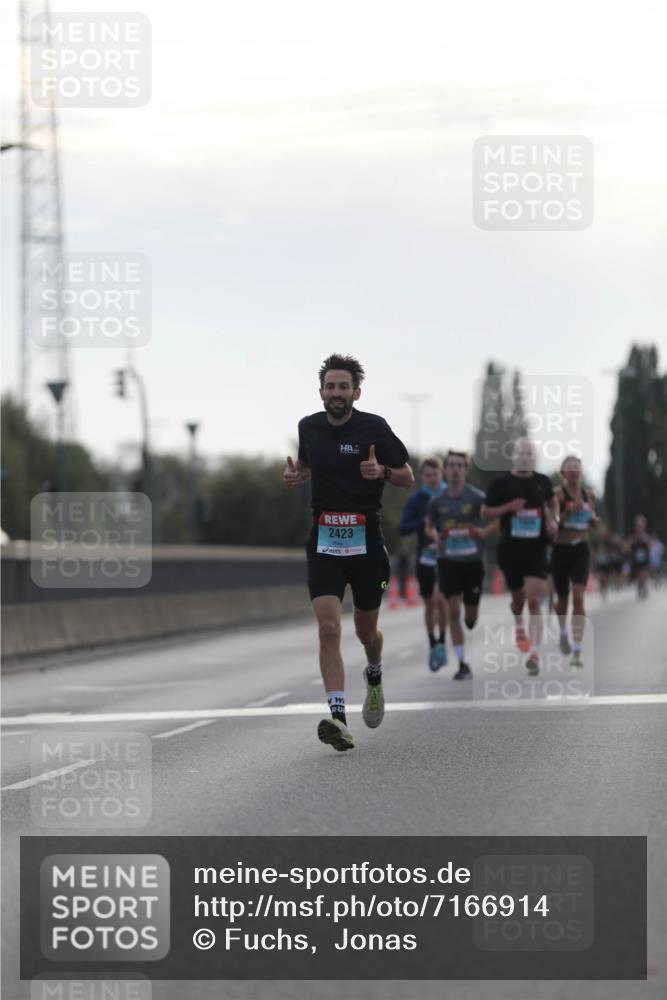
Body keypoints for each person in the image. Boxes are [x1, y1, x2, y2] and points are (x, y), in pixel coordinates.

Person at [283, 354, 413, 752]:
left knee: (365, 632)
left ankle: (373, 674)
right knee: (328, 627)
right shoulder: (309, 427)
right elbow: (308, 464)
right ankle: (338, 717)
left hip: (366, 542)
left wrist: (383, 474)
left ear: (356, 392)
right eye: (330, 387)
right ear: (321, 391)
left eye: (343, 387)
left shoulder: (374, 427)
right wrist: (297, 474)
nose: (336, 393)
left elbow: (407, 477)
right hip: (324, 538)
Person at [483, 438, 559, 675]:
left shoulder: (543, 481)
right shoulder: (502, 484)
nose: (525, 457)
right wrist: (508, 508)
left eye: (529, 453)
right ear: (514, 456)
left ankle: (534, 653)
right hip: (511, 550)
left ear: (534, 457)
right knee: (518, 600)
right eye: (521, 453)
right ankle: (518, 624)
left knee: (534, 600)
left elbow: (552, 501)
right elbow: (485, 512)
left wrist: (553, 519)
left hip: (536, 549)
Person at [425, 451, 496, 679]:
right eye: (451, 465)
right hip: (448, 561)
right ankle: (462, 662)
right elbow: (428, 526)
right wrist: (435, 536)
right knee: (453, 611)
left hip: (472, 562)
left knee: (470, 617)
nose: (455, 469)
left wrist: (483, 532)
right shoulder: (437, 501)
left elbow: (496, 519)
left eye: (459, 465)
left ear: (465, 470)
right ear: (445, 470)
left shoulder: (476, 498)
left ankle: (471, 617)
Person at [399, 457, 449, 671]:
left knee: (441, 600)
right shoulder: (417, 500)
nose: (431, 478)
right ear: (422, 477)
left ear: (441, 474)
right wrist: (422, 522)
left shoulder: (451, 495)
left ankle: (443, 640)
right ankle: (433, 643)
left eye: (435, 474)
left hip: (448, 556)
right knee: (429, 604)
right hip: (425, 557)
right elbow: (402, 528)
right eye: (427, 475)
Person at [552, 456, 599, 667]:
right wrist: (570, 510)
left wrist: (594, 519)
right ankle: (563, 633)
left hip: (581, 549)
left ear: (580, 471)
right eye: (569, 468)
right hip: (561, 550)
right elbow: (554, 522)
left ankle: (577, 648)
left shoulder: (589, 495)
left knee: (578, 598)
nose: (573, 472)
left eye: (576, 468)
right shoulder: (557, 494)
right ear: (563, 473)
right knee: (562, 600)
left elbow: (593, 521)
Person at [627, 515, 652, 599]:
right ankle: (640, 584)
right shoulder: (633, 537)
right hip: (636, 559)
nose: (639, 528)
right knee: (638, 574)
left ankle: (644, 585)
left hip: (644, 559)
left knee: (643, 573)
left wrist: (647, 546)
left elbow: (649, 547)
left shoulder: (646, 537)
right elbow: (629, 547)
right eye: (638, 526)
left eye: (641, 526)